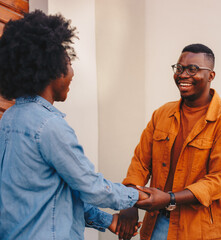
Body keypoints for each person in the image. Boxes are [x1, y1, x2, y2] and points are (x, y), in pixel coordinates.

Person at [0, 10, 148, 240]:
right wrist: (138, 196)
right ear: (52, 69)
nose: (72, 74)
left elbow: (55, 194)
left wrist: (109, 220)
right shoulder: (49, 126)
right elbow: (90, 186)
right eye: (69, 63)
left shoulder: (10, 119)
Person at [117, 44, 221, 240]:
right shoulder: (162, 114)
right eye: (179, 68)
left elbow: (220, 180)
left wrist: (170, 198)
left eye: (193, 69)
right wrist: (129, 200)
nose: (183, 74)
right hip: (157, 223)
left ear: (211, 76)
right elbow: (140, 163)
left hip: (198, 229)